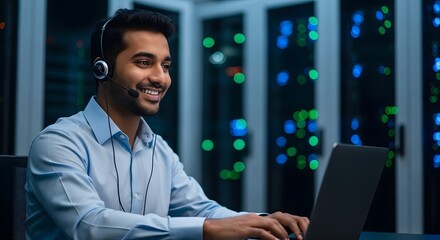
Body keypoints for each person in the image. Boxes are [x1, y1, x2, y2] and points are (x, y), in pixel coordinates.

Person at [25, 8, 309, 240]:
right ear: (103, 69)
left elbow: (200, 209)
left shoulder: (157, 149)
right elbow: (90, 225)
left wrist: (263, 222)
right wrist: (208, 230)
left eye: (166, 65)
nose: (161, 78)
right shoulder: (57, 144)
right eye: (144, 62)